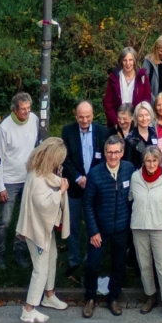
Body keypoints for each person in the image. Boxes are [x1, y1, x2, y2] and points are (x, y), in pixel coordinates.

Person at [15, 137, 70, 323]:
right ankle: (28, 308)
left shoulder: (38, 170)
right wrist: (61, 191)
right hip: (36, 229)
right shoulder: (37, 177)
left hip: (41, 226)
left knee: (52, 257)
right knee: (40, 267)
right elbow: (44, 204)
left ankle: (49, 295)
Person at [81, 137, 134, 317]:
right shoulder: (95, 173)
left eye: (116, 152)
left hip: (121, 228)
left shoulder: (129, 169)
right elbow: (87, 204)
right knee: (92, 264)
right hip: (100, 230)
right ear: (104, 153)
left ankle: (113, 298)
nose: (113, 156)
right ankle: (90, 297)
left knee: (118, 265)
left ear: (122, 152)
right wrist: (93, 231)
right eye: (109, 152)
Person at [60, 100, 110, 277]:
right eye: (81, 117)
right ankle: (73, 260)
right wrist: (78, 178)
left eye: (88, 116)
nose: (84, 120)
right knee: (73, 225)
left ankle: (91, 260)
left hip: (94, 187)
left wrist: (91, 179)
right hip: (75, 186)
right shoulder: (67, 131)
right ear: (76, 116)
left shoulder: (102, 132)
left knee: (93, 224)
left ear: (93, 115)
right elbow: (64, 159)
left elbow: (104, 159)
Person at [128, 146, 162, 323]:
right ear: (143, 161)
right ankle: (150, 296)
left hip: (160, 226)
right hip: (139, 226)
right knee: (144, 265)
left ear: (159, 161)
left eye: (154, 160)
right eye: (148, 161)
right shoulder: (135, 177)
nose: (151, 164)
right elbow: (130, 197)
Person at [0, 92, 38, 270]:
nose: (27, 112)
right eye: (23, 109)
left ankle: (19, 251)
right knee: (5, 220)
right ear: (14, 110)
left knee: (25, 219)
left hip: (29, 178)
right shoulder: (4, 128)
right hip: (9, 180)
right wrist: (0, 186)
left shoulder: (34, 120)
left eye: (29, 108)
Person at [103, 47, 151, 129]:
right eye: (125, 60)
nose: (128, 63)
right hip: (118, 123)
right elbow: (108, 104)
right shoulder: (114, 78)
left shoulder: (142, 77)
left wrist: (140, 121)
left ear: (134, 60)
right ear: (121, 61)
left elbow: (147, 101)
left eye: (130, 60)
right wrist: (116, 122)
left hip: (137, 124)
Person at [125, 101, 157, 168]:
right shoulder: (130, 139)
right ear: (136, 117)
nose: (144, 118)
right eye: (141, 116)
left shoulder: (154, 133)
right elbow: (128, 164)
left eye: (147, 115)